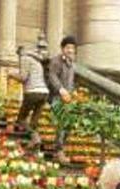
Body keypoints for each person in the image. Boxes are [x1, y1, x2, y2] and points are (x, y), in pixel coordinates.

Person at [10, 42, 49, 149]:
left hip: (33, 92)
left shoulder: (24, 58)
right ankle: (34, 143)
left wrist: (11, 74)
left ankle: (36, 138)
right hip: (44, 93)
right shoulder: (37, 60)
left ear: (20, 52)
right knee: (33, 122)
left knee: (21, 119)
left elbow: (23, 77)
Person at [47, 35, 77, 164]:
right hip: (56, 97)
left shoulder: (71, 64)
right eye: (68, 47)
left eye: (72, 48)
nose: (70, 50)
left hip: (68, 99)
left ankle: (59, 149)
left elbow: (71, 81)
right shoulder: (56, 61)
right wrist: (61, 89)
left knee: (69, 125)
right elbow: (52, 77)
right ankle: (58, 151)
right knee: (62, 122)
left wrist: (72, 93)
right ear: (63, 48)